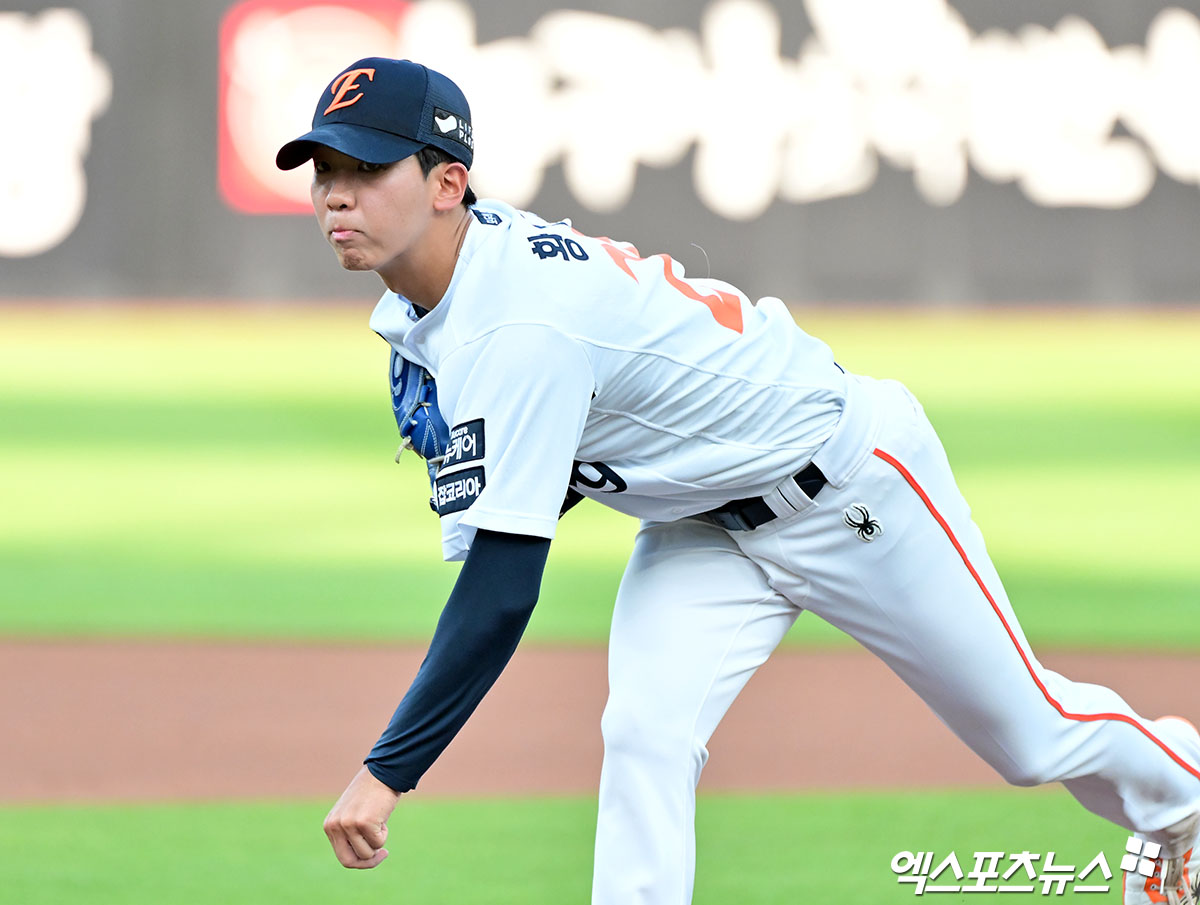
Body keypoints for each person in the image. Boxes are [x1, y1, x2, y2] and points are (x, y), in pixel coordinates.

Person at [276, 57, 1200, 905]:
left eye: (366, 169)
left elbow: (500, 590)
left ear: (448, 183)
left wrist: (388, 771)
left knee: (1032, 736)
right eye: (324, 170)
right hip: (703, 523)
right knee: (645, 733)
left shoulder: (518, 323)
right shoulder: (427, 304)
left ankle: (1183, 806)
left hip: (847, 483)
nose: (335, 194)